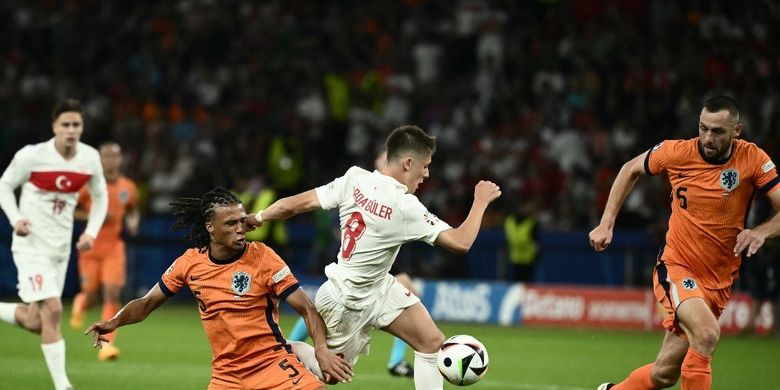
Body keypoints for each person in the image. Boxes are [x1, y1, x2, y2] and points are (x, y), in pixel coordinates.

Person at [248, 125, 502, 389]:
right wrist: (481, 201)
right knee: (330, 376)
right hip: (347, 300)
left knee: (431, 342)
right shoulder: (405, 206)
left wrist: (257, 217)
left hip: (379, 287)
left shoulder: (354, 178)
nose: (426, 174)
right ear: (408, 163)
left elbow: (294, 204)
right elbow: (461, 242)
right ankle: (281, 348)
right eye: (425, 166)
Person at [589, 96, 780, 390]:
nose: (708, 138)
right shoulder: (677, 152)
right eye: (703, 128)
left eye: (718, 131)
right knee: (706, 334)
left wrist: (762, 231)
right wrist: (606, 223)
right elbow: (630, 168)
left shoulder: (753, 159)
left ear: (737, 131)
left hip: (718, 281)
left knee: (665, 373)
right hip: (678, 267)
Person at [84, 188, 353, 389]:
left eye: (242, 220)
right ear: (210, 228)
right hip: (227, 375)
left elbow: (307, 308)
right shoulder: (190, 263)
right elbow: (145, 304)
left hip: (270, 364)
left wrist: (320, 350)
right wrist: (114, 322)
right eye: (232, 223)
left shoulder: (263, 258)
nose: (242, 228)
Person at [0, 98, 108, 390]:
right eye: (66, 125)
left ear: (82, 127)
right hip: (31, 246)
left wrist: (91, 232)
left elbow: (101, 197)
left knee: (37, 322)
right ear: (54, 128)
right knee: (54, 308)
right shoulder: (32, 156)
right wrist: (15, 218)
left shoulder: (89, 158)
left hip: (60, 250)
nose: (71, 130)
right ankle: (63, 386)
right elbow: (4, 185)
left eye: (76, 125)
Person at [69, 142, 140, 361]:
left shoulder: (128, 187)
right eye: (106, 156)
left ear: (120, 159)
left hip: (114, 248)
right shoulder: (88, 186)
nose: (111, 160)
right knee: (91, 296)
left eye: (115, 156)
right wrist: (94, 216)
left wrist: (133, 222)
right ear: (100, 159)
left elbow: (133, 209)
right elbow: (70, 210)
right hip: (90, 248)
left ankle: (107, 345)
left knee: (112, 293)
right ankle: (81, 302)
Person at [286, 272, 420, 378]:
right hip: (355, 273)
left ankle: (396, 360)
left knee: (405, 284)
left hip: (368, 273)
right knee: (320, 308)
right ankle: (287, 350)